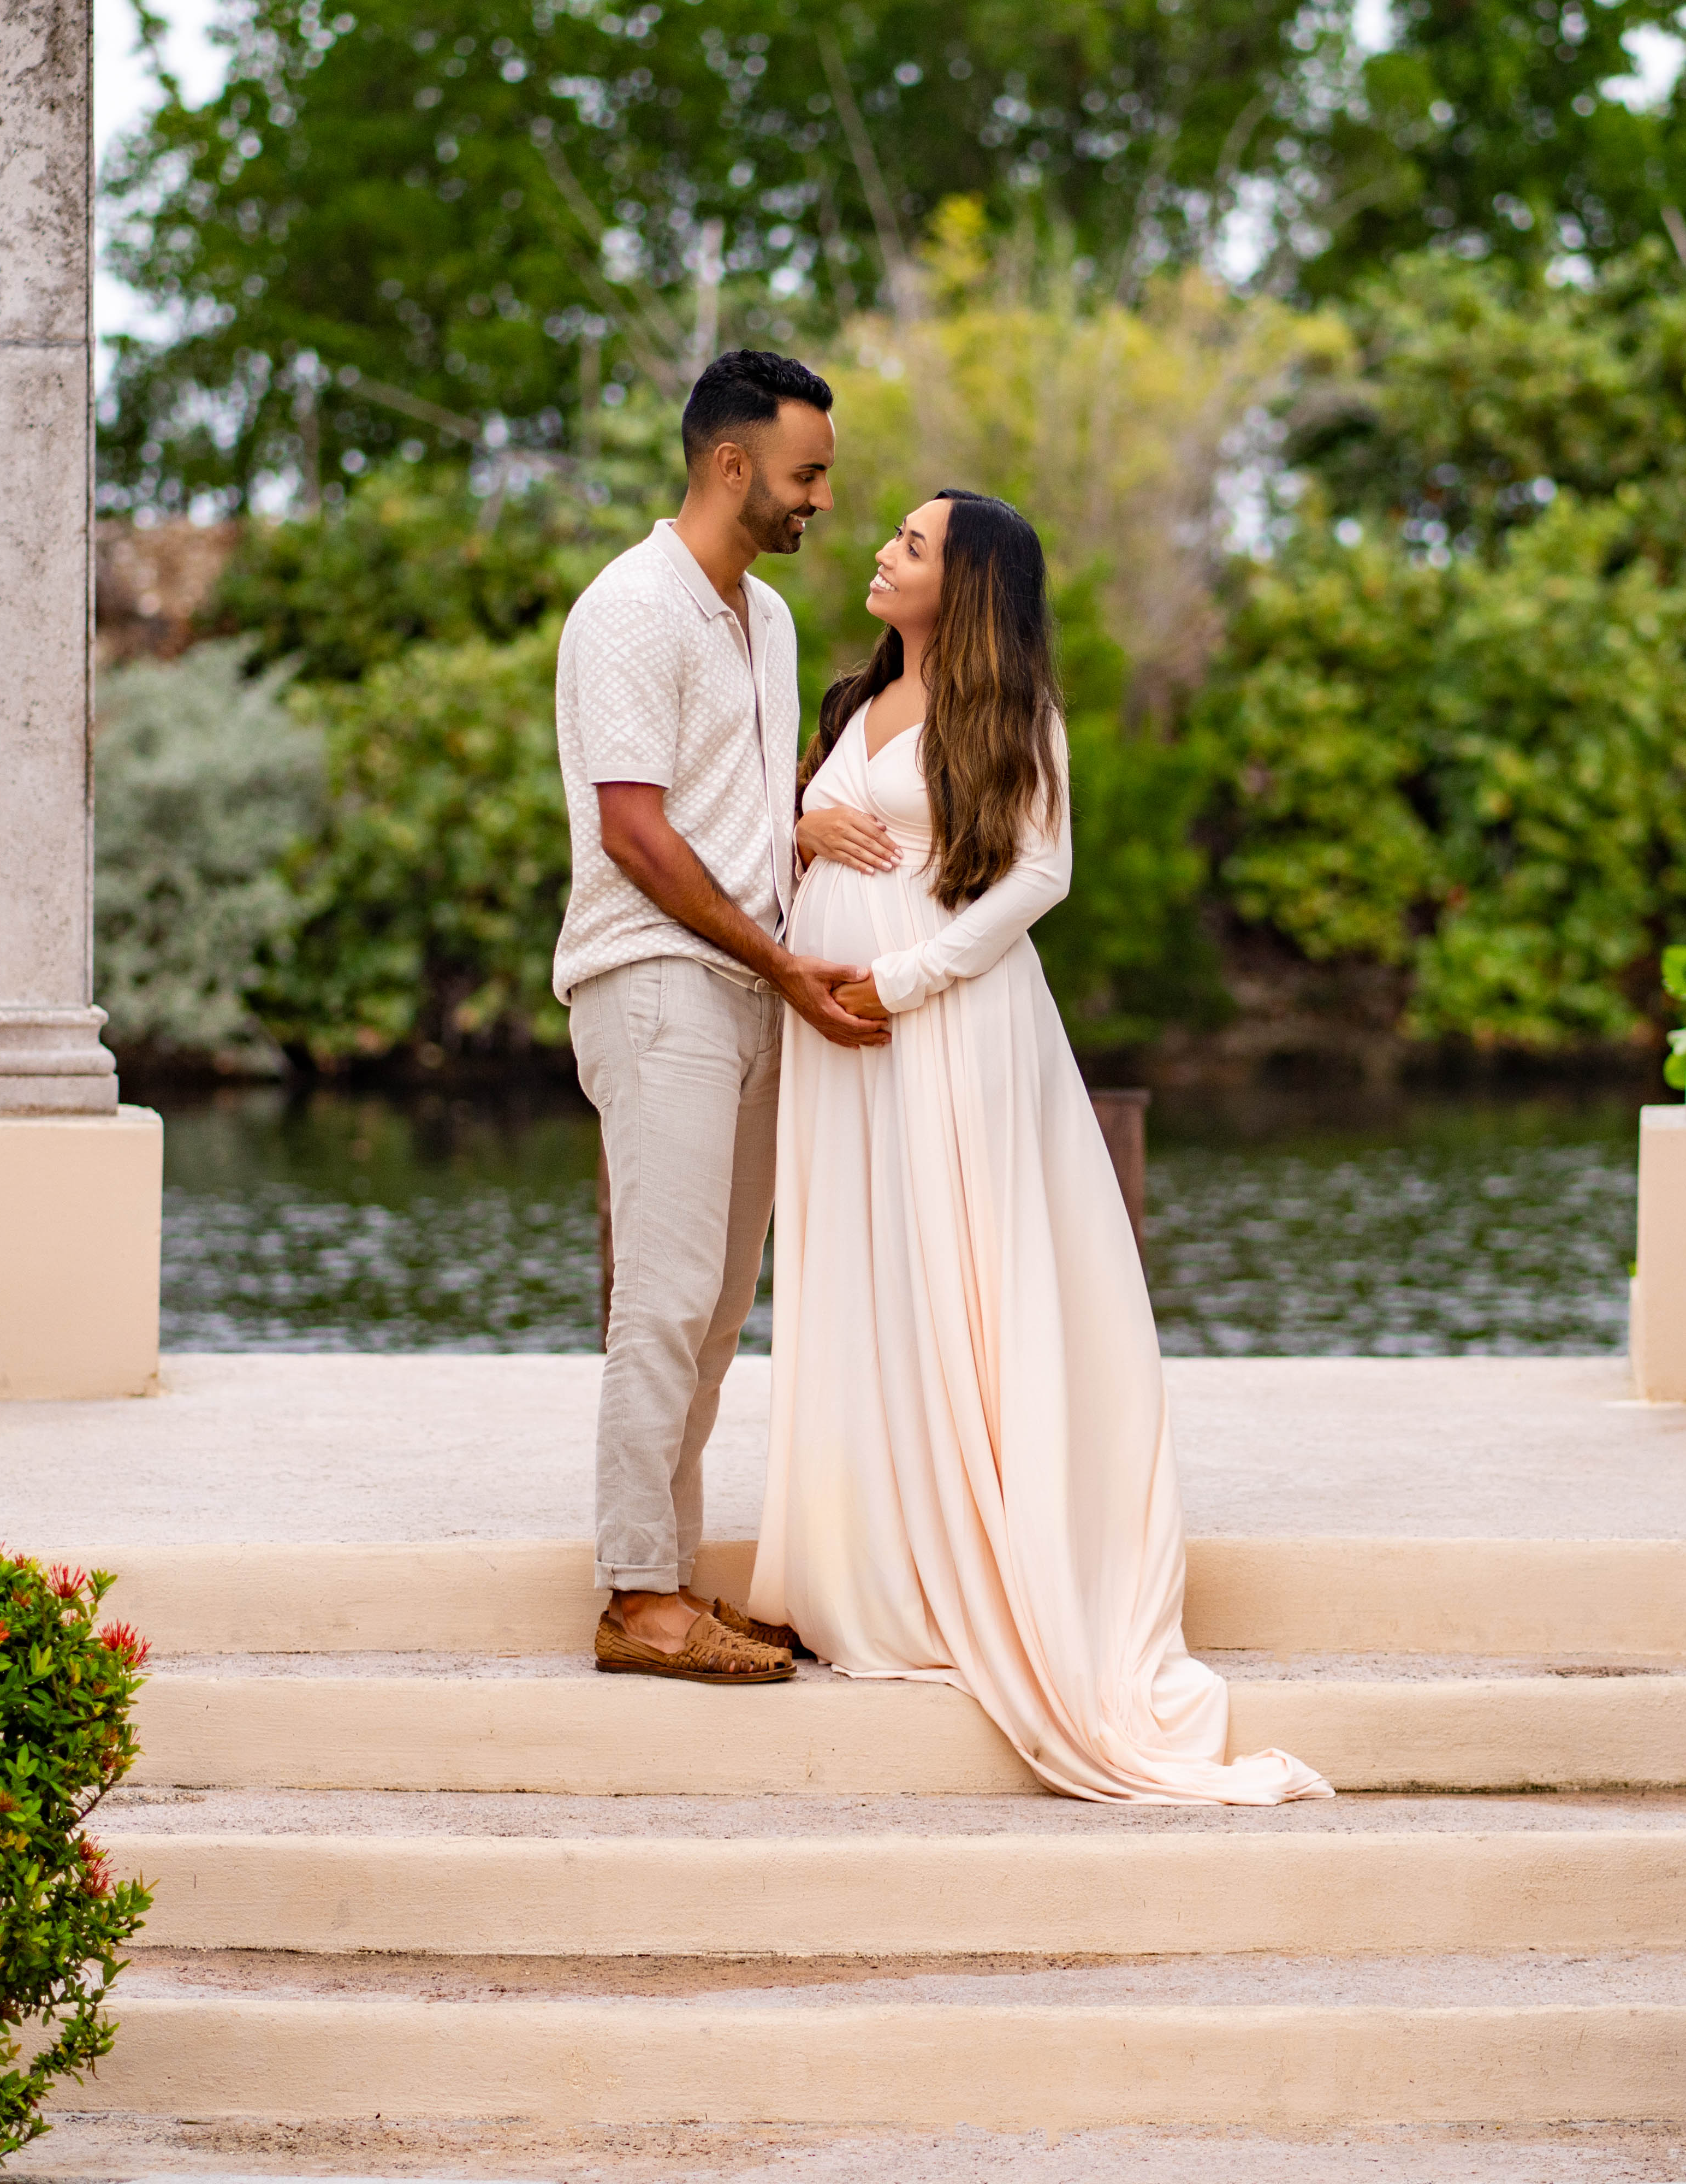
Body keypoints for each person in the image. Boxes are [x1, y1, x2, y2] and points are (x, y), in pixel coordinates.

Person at [743, 490, 1331, 1803]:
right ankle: (867, 1558)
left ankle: (976, 1555)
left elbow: (1038, 875)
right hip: (836, 1035)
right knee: (864, 1279)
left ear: (970, 587)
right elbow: (795, 830)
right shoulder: (851, 700)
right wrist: (798, 824)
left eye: (911, 544)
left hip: (941, 1025)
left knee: (960, 1279)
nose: (883, 552)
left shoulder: (1013, 719)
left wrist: (906, 978)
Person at [553, 349, 882, 1687]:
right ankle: (636, 1593)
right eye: (806, 473)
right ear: (732, 463)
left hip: (753, 982)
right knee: (669, 1293)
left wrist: (803, 837)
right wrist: (783, 960)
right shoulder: (628, 610)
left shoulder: (767, 620)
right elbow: (635, 833)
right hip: (656, 978)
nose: (819, 500)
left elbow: (738, 810)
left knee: (716, 1306)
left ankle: (674, 1576)